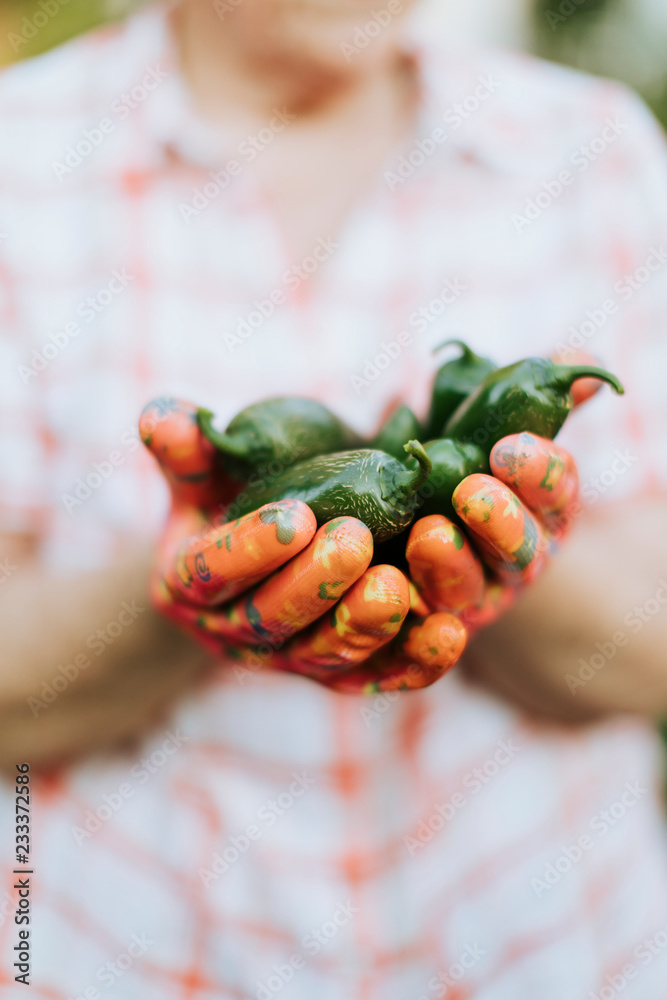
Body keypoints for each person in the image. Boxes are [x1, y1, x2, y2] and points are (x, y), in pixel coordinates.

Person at [1, 0, 666, 996]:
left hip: (548, 953)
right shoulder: (21, 159)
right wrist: (176, 601)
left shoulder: (592, 149)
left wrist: (499, 568)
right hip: (119, 959)